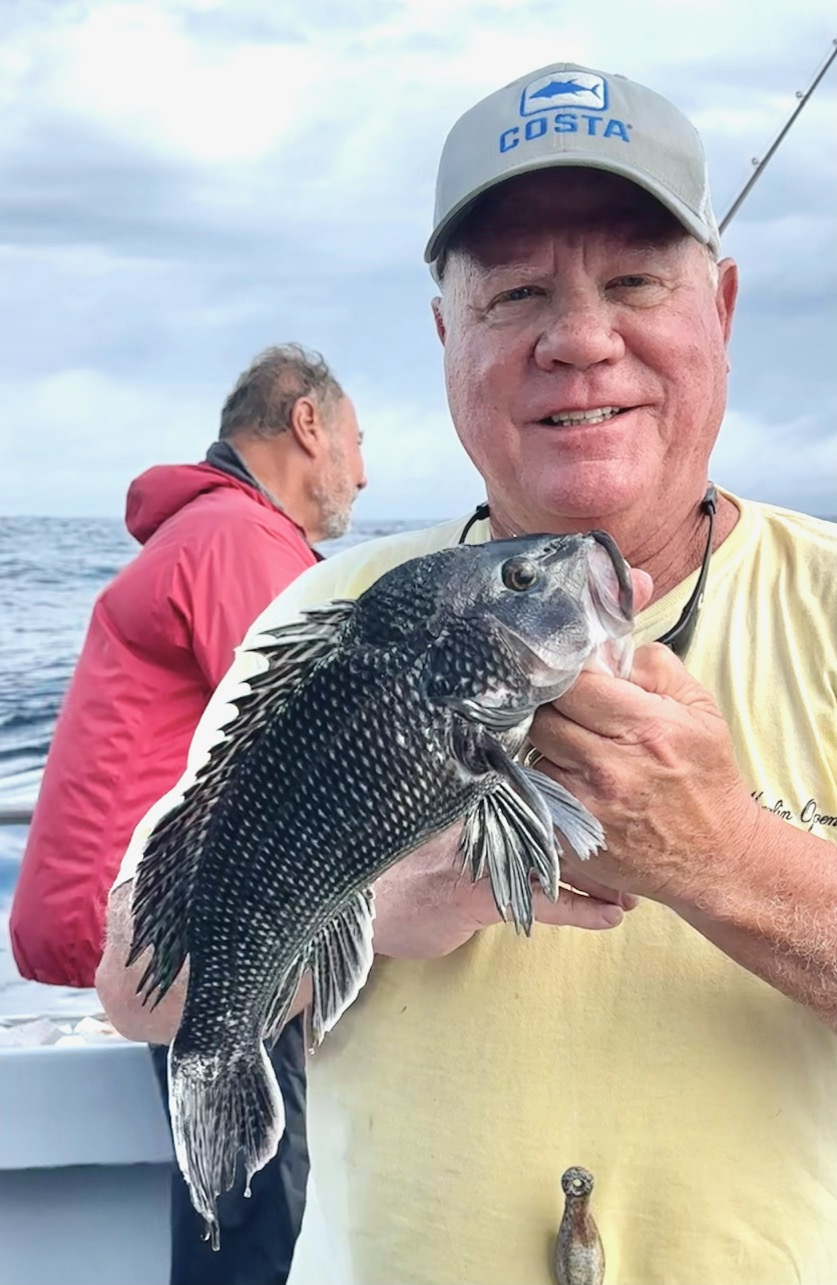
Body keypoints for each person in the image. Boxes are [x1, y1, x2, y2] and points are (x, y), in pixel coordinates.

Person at [96, 63, 837, 1285]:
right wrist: (371, 902)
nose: (581, 339)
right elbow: (134, 985)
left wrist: (723, 855)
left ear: (724, 308)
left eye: (636, 281)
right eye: (517, 293)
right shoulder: (327, 609)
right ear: (450, 337)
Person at [11, 341, 366, 1285]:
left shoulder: (204, 529)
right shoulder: (239, 541)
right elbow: (315, 745)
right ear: (308, 425)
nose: (363, 474)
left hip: (161, 919)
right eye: (357, 441)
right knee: (255, 1209)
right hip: (188, 932)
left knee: (231, 1194)